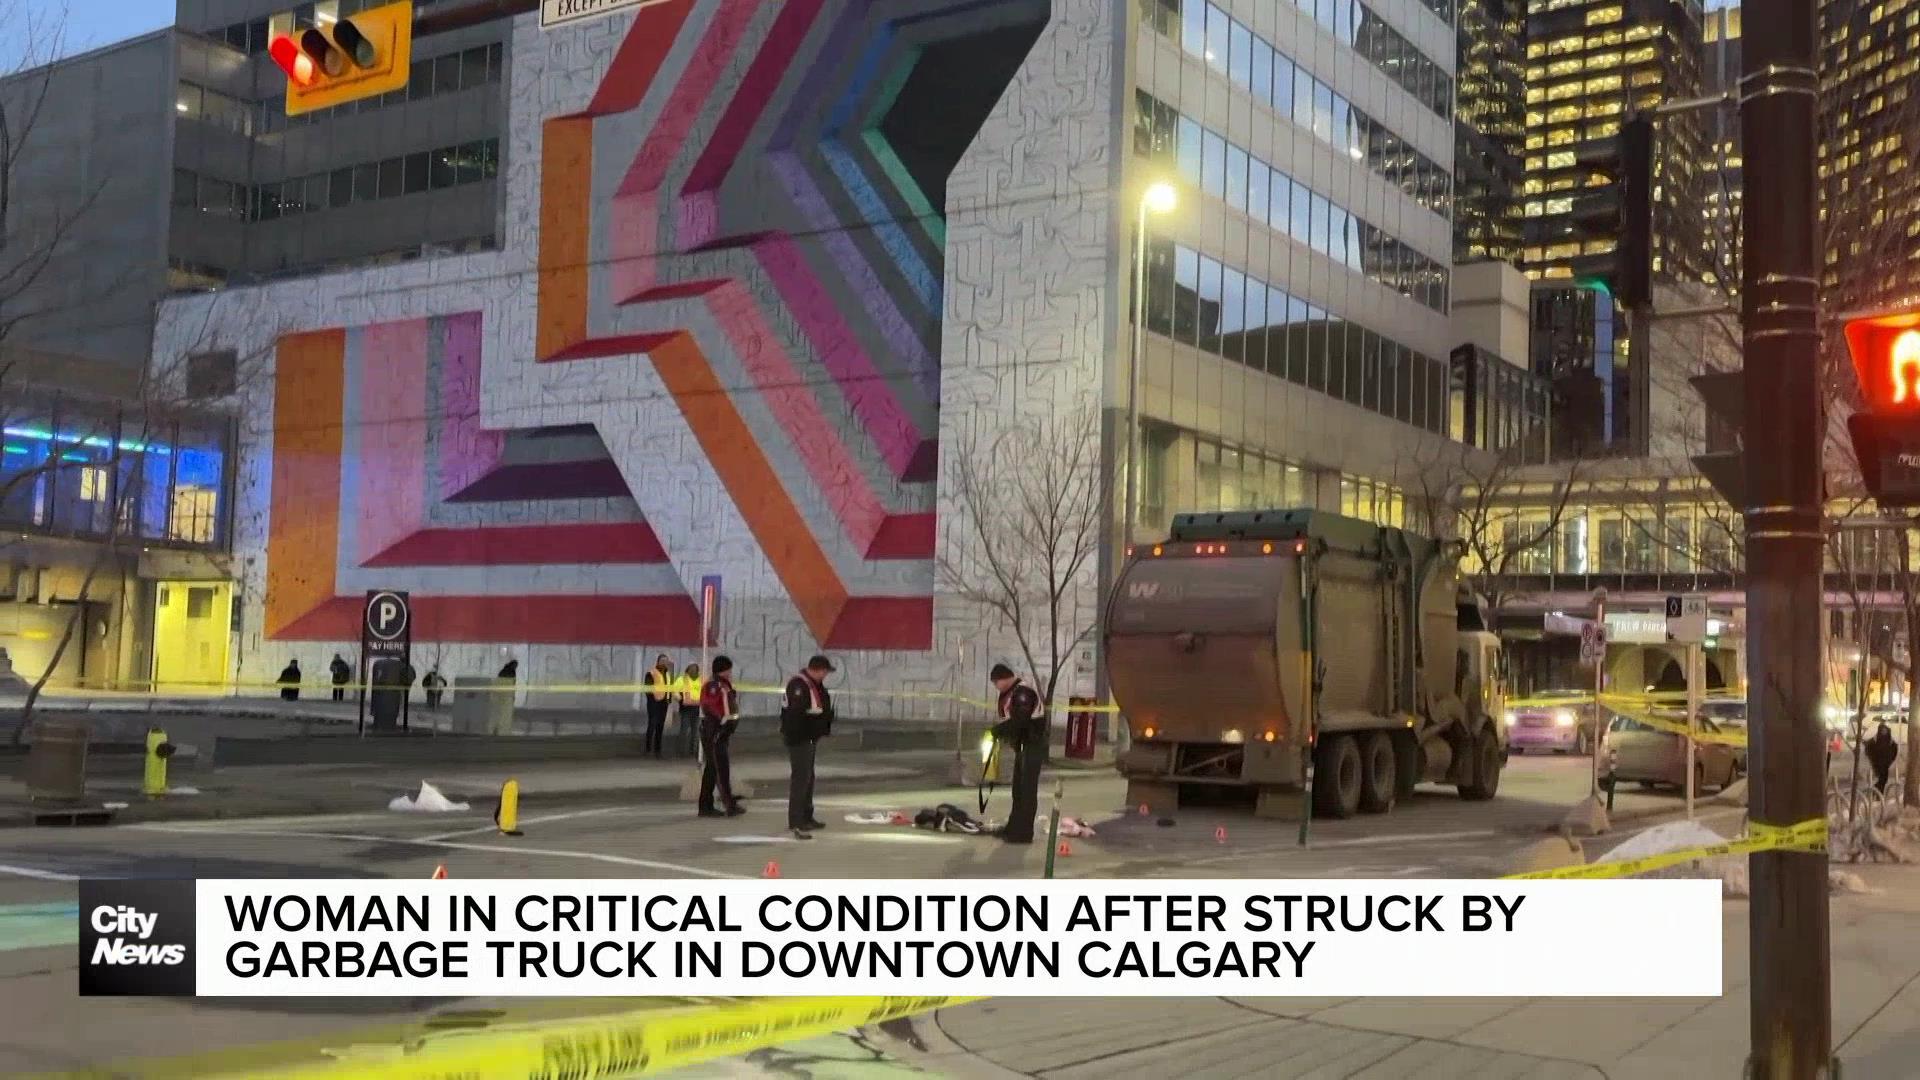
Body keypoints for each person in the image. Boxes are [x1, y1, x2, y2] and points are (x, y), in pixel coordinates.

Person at [989, 663, 1046, 845]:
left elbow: (1020, 721)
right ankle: (1014, 827)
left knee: (1027, 790)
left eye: (996, 682)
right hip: (1022, 746)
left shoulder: (1022, 693)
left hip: (1032, 745)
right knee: (1018, 791)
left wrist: (997, 731)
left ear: (1004, 678)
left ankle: (1023, 833)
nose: (995, 686)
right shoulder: (1011, 693)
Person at [781, 655, 835, 839]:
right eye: (825, 672)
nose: (825, 676)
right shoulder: (799, 685)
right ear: (818, 669)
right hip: (800, 739)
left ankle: (806, 816)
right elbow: (796, 714)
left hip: (809, 738)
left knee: (808, 778)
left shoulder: (813, 684)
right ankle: (797, 820)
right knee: (800, 779)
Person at [697, 655, 746, 818]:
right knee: (719, 769)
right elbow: (711, 707)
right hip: (715, 733)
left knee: (713, 769)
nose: (731, 673)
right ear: (724, 670)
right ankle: (727, 804)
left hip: (719, 732)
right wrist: (723, 723)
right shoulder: (715, 686)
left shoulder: (722, 685)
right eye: (729, 670)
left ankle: (707, 805)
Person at [644, 653, 675, 758]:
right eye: (662, 661)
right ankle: (648, 749)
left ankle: (658, 750)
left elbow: (669, 687)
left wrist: (668, 699)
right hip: (654, 703)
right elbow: (648, 688)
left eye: (666, 661)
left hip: (664, 703)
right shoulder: (651, 673)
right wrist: (652, 699)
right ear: (658, 662)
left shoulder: (667, 673)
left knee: (660, 727)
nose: (664, 663)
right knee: (652, 725)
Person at [677, 663, 702, 759]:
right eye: (691, 668)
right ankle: (681, 752)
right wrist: (680, 699)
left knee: (695, 731)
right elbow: (675, 691)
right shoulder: (682, 679)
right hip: (686, 709)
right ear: (687, 669)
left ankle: (693, 751)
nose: (693, 670)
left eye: (695, 668)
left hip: (697, 708)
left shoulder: (700, 680)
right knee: (684, 730)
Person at [1867, 722, 1899, 794]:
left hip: (1886, 763)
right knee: (1881, 779)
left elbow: (1895, 750)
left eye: (1885, 730)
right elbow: (1869, 749)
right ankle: (1878, 793)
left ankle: (1877, 792)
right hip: (1877, 763)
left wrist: (1891, 760)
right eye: (1882, 730)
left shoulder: (1890, 740)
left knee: (1884, 779)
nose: (1884, 732)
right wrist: (1873, 759)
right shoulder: (1875, 740)